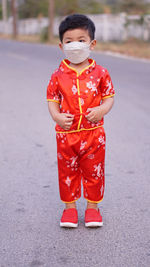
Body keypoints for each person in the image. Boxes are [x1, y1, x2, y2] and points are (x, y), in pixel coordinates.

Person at [47, 14, 115, 228]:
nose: (75, 45)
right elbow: (52, 100)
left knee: (94, 170)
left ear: (92, 43)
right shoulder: (57, 76)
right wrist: (57, 116)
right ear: (61, 46)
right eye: (69, 41)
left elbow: (109, 97)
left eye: (81, 40)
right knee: (67, 171)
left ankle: (93, 208)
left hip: (94, 134)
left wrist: (102, 109)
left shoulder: (101, 73)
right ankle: (70, 209)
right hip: (66, 134)